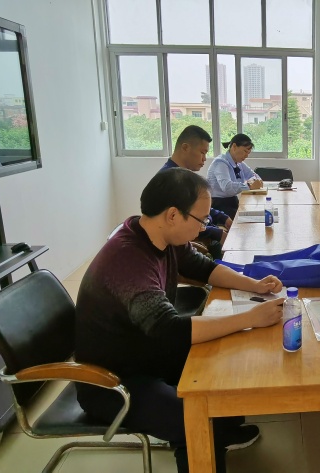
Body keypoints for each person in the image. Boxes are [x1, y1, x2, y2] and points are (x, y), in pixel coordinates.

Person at [75, 168, 285, 473]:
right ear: (173, 215)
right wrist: (249, 318)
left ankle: (223, 431)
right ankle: (209, 437)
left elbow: (203, 268)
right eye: (201, 220)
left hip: (146, 353)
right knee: (195, 420)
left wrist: (254, 285)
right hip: (113, 381)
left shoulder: (158, 235)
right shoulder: (128, 260)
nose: (204, 227)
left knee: (225, 363)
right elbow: (170, 330)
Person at [160, 125, 232, 258]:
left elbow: (196, 208)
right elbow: (181, 224)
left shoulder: (185, 176)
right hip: (195, 241)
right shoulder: (171, 180)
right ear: (185, 148)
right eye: (202, 152)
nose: (204, 158)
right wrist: (216, 233)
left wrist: (222, 217)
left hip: (207, 230)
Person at [207, 133, 262, 219]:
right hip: (219, 205)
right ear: (234, 146)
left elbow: (254, 176)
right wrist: (249, 185)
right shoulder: (221, 163)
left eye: (248, 153)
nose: (246, 156)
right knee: (249, 218)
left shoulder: (239, 163)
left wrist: (256, 181)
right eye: (245, 151)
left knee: (256, 214)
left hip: (232, 201)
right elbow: (227, 187)